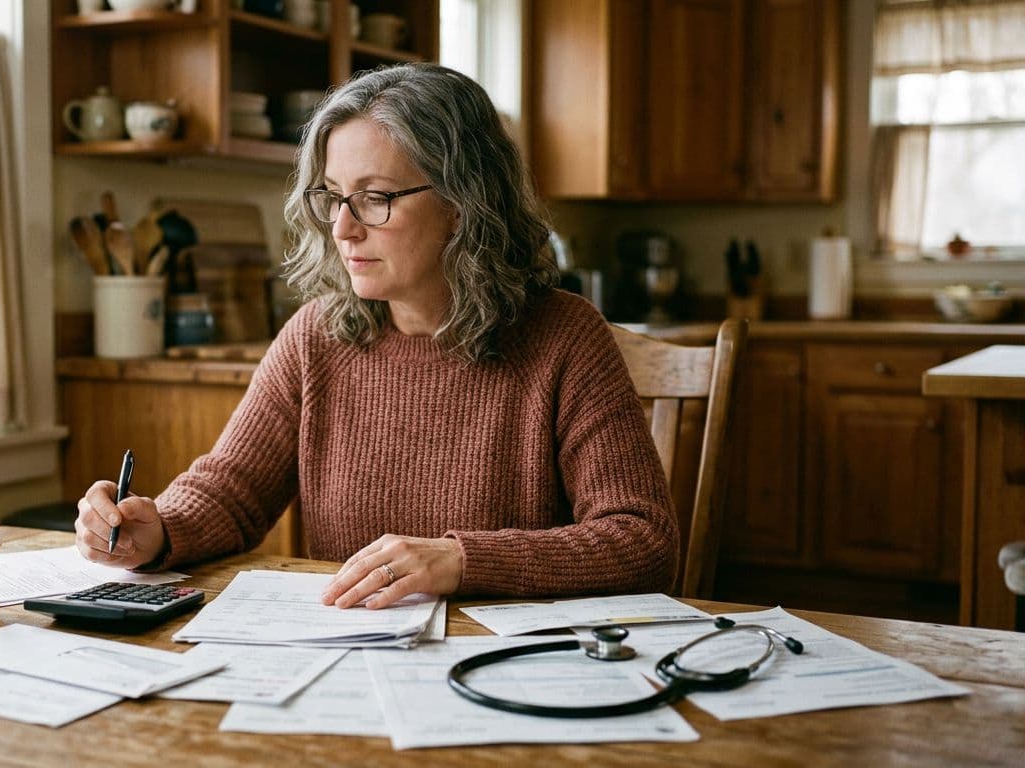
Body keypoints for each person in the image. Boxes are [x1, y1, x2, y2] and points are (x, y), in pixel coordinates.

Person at [75, 63, 676, 610]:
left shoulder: (564, 337)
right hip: (349, 657)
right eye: (334, 197)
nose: (342, 227)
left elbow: (642, 539)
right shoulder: (316, 336)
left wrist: (463, 559)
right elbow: (230, 492)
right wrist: (158, 530)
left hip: (506, 673)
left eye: (375, 198)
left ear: (465, 202)